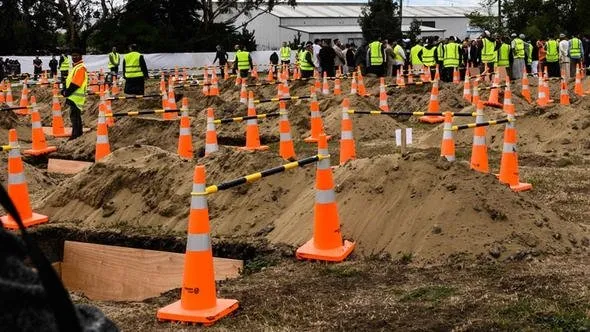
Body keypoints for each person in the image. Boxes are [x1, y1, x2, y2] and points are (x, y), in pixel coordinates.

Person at [62, 48, 87, 140]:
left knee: (75, 116)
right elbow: (70, 81)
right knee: (75, 116)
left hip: (76, 96)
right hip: (73, 96)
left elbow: (76, 83)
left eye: (76, 55)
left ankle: (76, 134)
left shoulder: (80, 68)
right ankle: (77, 133)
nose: (74, 57)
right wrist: (64, 90)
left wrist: (67, 92)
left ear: (81, 56)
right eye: (73, 56)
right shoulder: (75, 67)